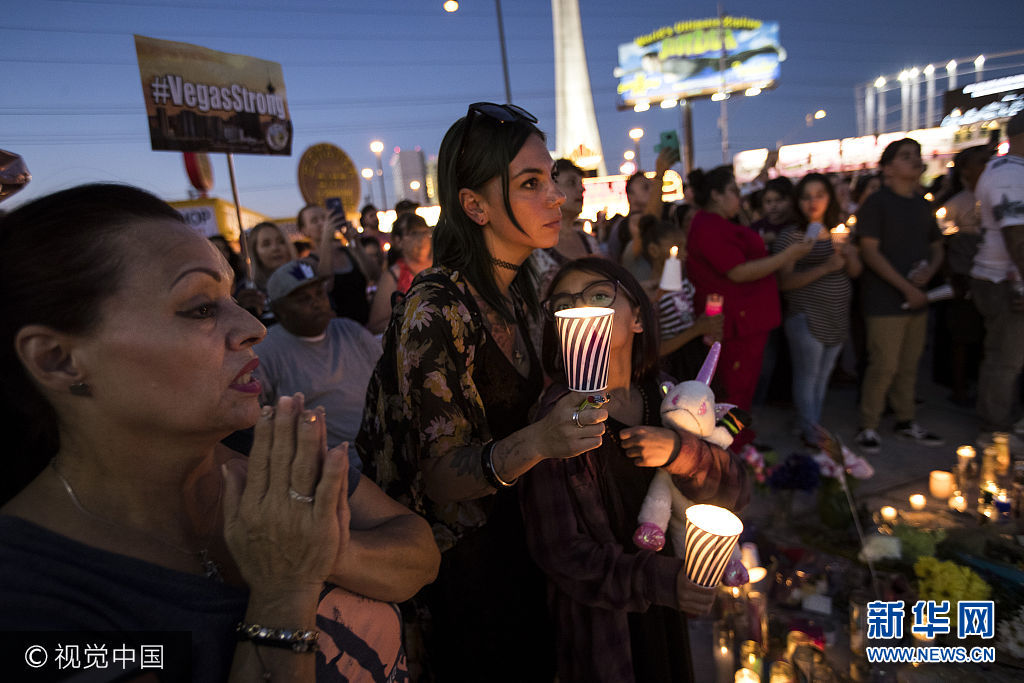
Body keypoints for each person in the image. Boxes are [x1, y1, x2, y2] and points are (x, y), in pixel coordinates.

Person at [0, 184, 440, 682]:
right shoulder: (27, 594)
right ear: (58, 360)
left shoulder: (255, 445)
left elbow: (418, 554)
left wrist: (327, 549)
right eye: (201, 308)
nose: (254, 326)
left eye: (231, 297)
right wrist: (285, 586)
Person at [356, 102, 608, 682]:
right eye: (530, 183)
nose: (557, 197)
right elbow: (442, 477)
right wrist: (540, 440)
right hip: (459, 571)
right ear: (474, 205)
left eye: (551, 178)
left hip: (522, 543)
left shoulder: (522, 289)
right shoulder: (436, 307)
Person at [522, 257, 750, 683]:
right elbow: (559, 551)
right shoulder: (558, 420)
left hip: (665, 614)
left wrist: (681, 452)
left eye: (599, 296)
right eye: (564, 304)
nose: (582, 311)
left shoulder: (670, 397)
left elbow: (736, 490)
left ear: (638, 318)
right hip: (607, 629)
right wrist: (659, 581)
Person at [684, 165, 813, 449]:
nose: (738, 197)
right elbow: (738, 272)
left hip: (746, 319)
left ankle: (738, 441)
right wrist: (787, 255)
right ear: (716, 195)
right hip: (735, 321)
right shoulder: (708, 226)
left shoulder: (718, 223)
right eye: (733, 191)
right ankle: (732, 447)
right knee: (734, 390)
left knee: (742, 388)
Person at [854, 139, 945, 453]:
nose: (915, 161)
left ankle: (905, 420)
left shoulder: (922, 203)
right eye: (906, 156)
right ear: (888, 168)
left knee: (909, 364)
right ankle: (868, 424)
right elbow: (870, 252)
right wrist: (907, 288)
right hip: (885, 301)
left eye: (916, 155)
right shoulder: (877, 203)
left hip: (917, 299)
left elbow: (936, 246)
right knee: (884, 365)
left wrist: (929, 272)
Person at [256, 259, 383, 468]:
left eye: (319, 294)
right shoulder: (265, 351)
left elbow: (389, 379)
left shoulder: (350, 331)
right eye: (304, 299)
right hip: (330, 466)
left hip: (383, 448)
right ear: (279, 311)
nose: (316, 303)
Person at [775, 173, 863, 447]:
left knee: (823, 376)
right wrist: (824, 268)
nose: (813, 202)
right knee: (808, 375)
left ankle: (811, 423)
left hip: (836, 316)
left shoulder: (839, 232)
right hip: (806, 315)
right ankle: (811, 431)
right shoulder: (792, 236)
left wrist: (849, 254)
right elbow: (784, 282)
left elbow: (855, 272)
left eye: (819, 195)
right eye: (806, 197)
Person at [971, 110, 1024, 448]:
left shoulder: (1006, 169)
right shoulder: (1009, 174)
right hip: (1004, 280)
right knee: (1006, 358)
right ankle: (995, 433)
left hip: (1004, 278)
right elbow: (1016, 236)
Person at [528, 158, 602, 298]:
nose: (582, 189)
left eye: (581, 184)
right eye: (571, 183)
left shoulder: (589, 241)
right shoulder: (534, 248)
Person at [297, 204, 371, 325]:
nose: (322, 223)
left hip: (365, 324)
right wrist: (326, 239)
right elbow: (326, 284)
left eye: (325, 218)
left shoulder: (348, 252)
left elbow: (373, 275)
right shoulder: (306, 263)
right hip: (336, 328)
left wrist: (356, 243)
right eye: (314, 221)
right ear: (304, 230)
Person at [366, 212, 433, 334]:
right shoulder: (394, 276)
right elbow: (376, 324)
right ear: (398, 241)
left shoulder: (440, 267)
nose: (421, 239)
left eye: (424, 232)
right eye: (413, 234)